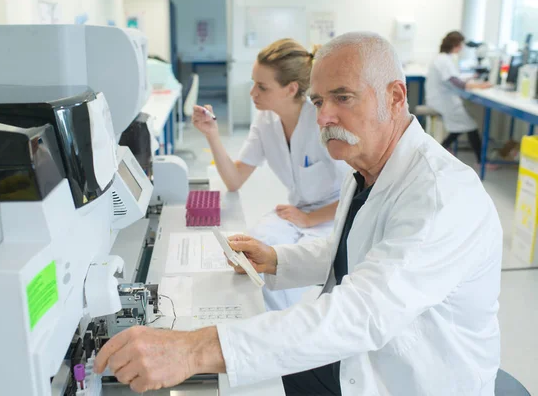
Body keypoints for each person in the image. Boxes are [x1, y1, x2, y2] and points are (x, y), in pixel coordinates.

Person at [93, 32, 502, 396]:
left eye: (342, 97)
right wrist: (278, 259)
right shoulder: (366, 167)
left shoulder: (440, 194)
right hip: (359, 360)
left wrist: (195, 349)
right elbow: (353, 251)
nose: (324, 117)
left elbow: (363, 313)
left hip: (409, 378)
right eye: (319, 101)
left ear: (395, 97)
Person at [192, 38, 349, 311]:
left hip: (334, 217)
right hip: (297, 213)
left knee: (285, 279)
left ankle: (275, 335)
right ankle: (250, 323)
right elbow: (234, 179)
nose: (253, 93)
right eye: (253, 83)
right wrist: (212, 135)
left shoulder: (322, 121)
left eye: (262, 87)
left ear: (291, 89)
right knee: (248, 254)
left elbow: (357, 191)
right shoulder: (266, 121)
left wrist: (311, 218)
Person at [425, 31, 494, 168]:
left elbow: (454, 78)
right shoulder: (444, 60)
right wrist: (479, 85)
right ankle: (481, 162)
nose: (462, 47)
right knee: (470, 126)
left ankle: (442, 148)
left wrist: (471, 78)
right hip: (442, 100)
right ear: (456, 45)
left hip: (443, 98)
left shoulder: (444, 58)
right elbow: (456, 82)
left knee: (461, 126)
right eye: (461, 44)